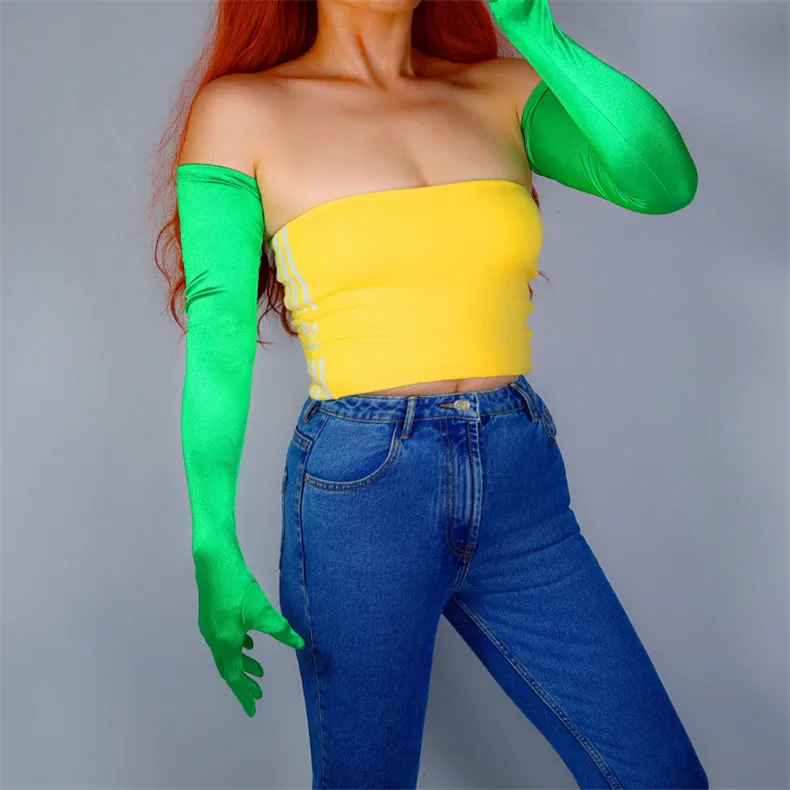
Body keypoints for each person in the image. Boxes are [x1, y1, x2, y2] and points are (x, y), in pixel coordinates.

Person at [152, 0, 707, 786]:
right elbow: (219, 340)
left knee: (660, 776)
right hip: (363, 491)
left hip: (518, 474)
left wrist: (536, 31)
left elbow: (663, 181)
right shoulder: (242, 111)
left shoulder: (501, 92)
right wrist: (212, 542)